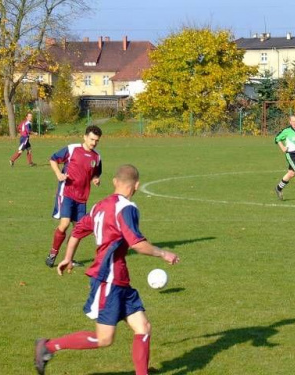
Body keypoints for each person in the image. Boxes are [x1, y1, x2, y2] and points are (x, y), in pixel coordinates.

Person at [34, 164, 180, 375]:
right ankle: (47, 347)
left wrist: (67, 258)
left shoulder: (99, 206)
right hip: (109, 278)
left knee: (143, 327)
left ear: (114, 181)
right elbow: (137, 244)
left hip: (120, 279)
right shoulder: (127, 208)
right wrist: (163, 253)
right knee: (104, 338)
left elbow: (77, 232)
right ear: (136, 185)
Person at [45, 125, 103, 268]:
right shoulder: (72, 149)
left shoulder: (97, 157)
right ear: (84, 137)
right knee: (64, 225)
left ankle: (69, 259)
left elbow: (96, 172)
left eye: (96, 140)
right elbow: (53, 159)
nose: (93, 143)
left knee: (78, 230)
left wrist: (95, 178)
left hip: (82, 198)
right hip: (67, 193)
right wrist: (59, 174)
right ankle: (53, 254)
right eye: (91, 139)